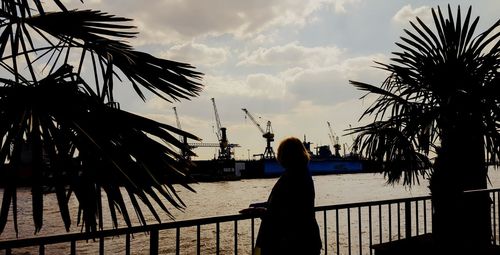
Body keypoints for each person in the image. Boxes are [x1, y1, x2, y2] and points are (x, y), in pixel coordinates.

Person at [240, 137, 322, 255]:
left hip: (292, 243)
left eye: (280, 153)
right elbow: (287, 203)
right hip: (306, 240)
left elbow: (289, 212)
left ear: (287, 155)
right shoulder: (301, 174)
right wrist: (262, 206)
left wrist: (262, 211)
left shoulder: (293, 177)